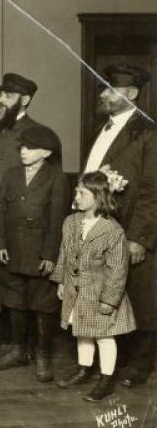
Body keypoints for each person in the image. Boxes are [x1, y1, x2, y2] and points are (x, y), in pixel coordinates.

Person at [82, 63, 157, 389]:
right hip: (104, 230)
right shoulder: (103, 129)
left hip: (132, 233)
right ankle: (113, 362)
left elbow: (153, 191)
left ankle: (141, 364)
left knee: (142, 297)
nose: (102, 95)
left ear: (132, 94)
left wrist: (139, 238)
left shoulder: (148, 132)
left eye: (108, 90)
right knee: (111, 296)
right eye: (102, 88)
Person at [0, 125, 69, 383]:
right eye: (21, 147)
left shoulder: (56, 178)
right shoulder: (11, 175)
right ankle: (18, 350)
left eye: (30, 148)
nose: (23, 151)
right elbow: (1, 213)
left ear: (45, 152)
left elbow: (58, 220)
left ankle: (43, 355)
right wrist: (1, 244)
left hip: (39, 253)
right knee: (15, 301)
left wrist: (50, 255)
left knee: (43, 304)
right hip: (13, 250)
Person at [52, 171, 136, 402]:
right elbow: (64, 253)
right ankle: (84, 369)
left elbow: (118, 269)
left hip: (100, 293)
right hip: (76, 290)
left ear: (99, 197)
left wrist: (109, 300)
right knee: (82, 331)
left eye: (83, 193)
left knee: (104, 336)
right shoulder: (71, 222)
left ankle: (106, 379)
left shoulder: (112, 230)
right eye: (76, 192)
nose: (77, 196)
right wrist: (61, 280)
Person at [0, 73, 45, 347]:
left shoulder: (36, 135)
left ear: (25, 100)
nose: (1, 100)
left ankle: (17, 335)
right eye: (0, 95)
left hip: (18, 221)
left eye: (8, 95)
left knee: (14, 277)